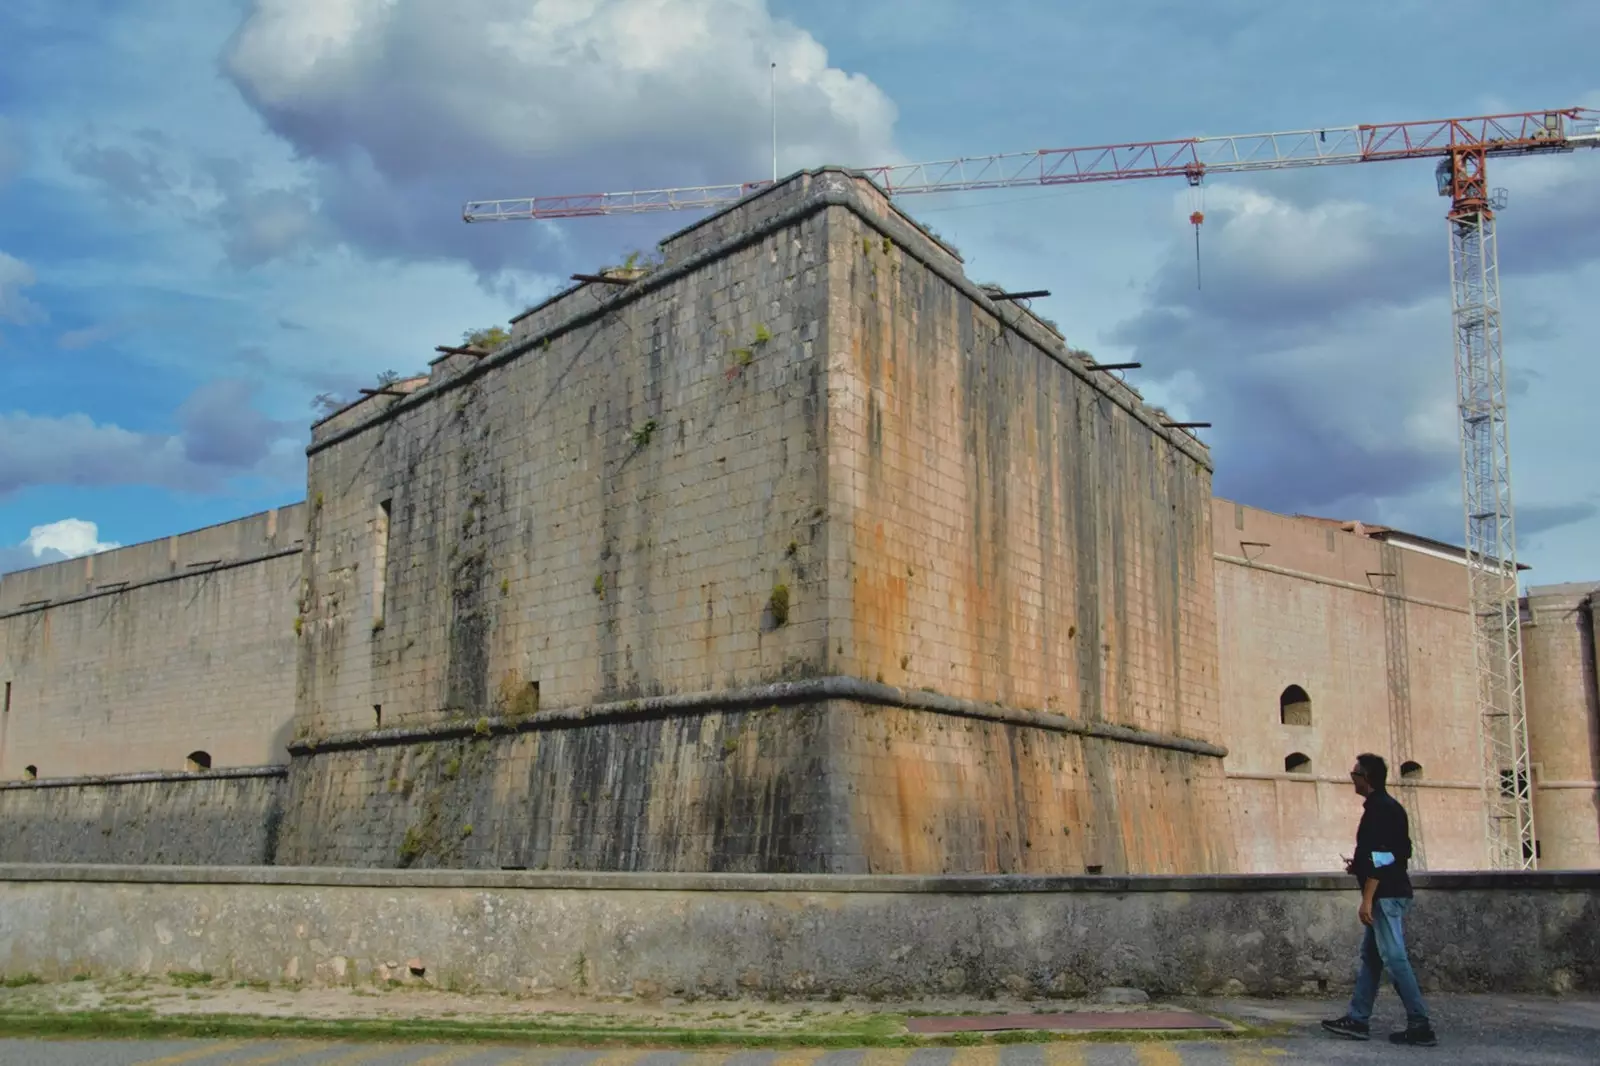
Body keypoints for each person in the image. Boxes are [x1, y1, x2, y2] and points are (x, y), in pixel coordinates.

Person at [1321, 752, 1438, 1047]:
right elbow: (1401, 851)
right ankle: (1358, 1019)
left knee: (1394, 959)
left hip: (1385, 895)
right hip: (1392, 890)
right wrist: (1358, 865)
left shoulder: (1378, 811)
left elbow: (1384, 858)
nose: (1352, 779)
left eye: (1355, 774)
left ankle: (1419, 1022)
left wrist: (1367, 899)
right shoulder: (1391, 807)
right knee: (1372, 959)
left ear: (1367, 778)